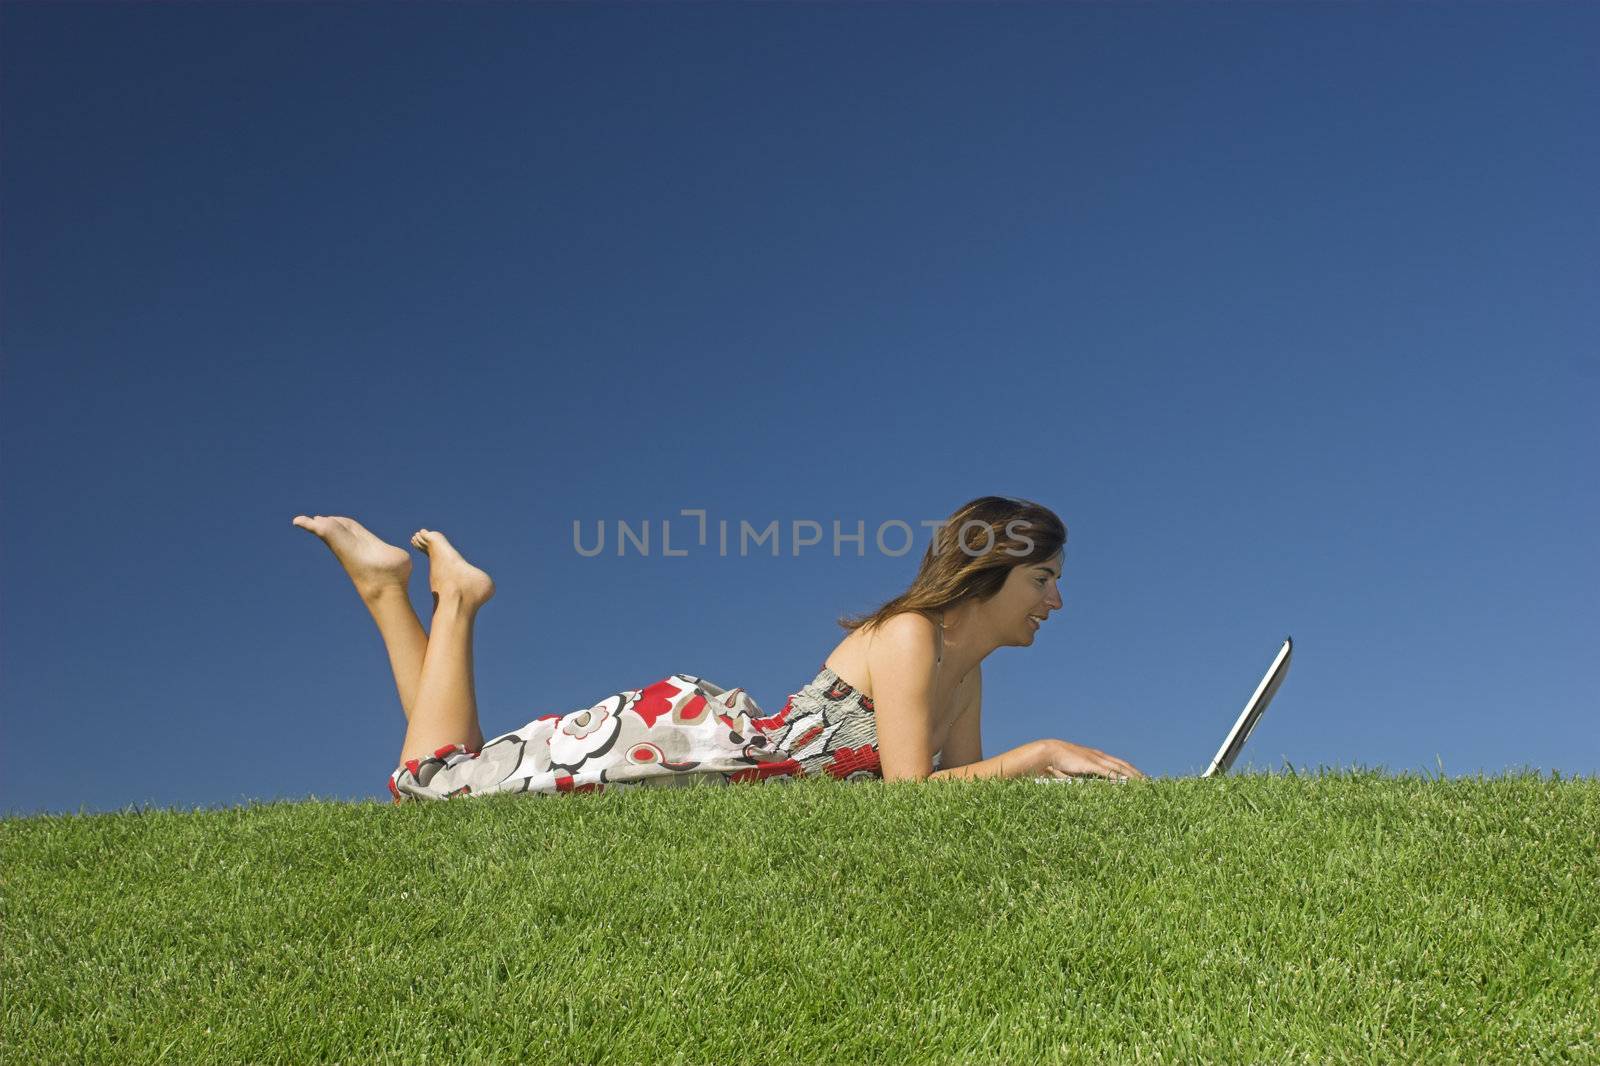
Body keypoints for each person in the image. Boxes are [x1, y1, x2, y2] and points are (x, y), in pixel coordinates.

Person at [292, 495, 1145, 802]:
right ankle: (460, 602)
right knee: (434, 789)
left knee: (454, 774)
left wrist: (1056, 789)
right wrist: (1040, 755)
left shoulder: (967, 673)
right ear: (990, 575)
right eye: (1043, 581)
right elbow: (912, 793)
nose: (1057, 600)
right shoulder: (911, 635)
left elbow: (956, 797)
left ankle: (382, 590)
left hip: (710, 752)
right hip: (687, 748)